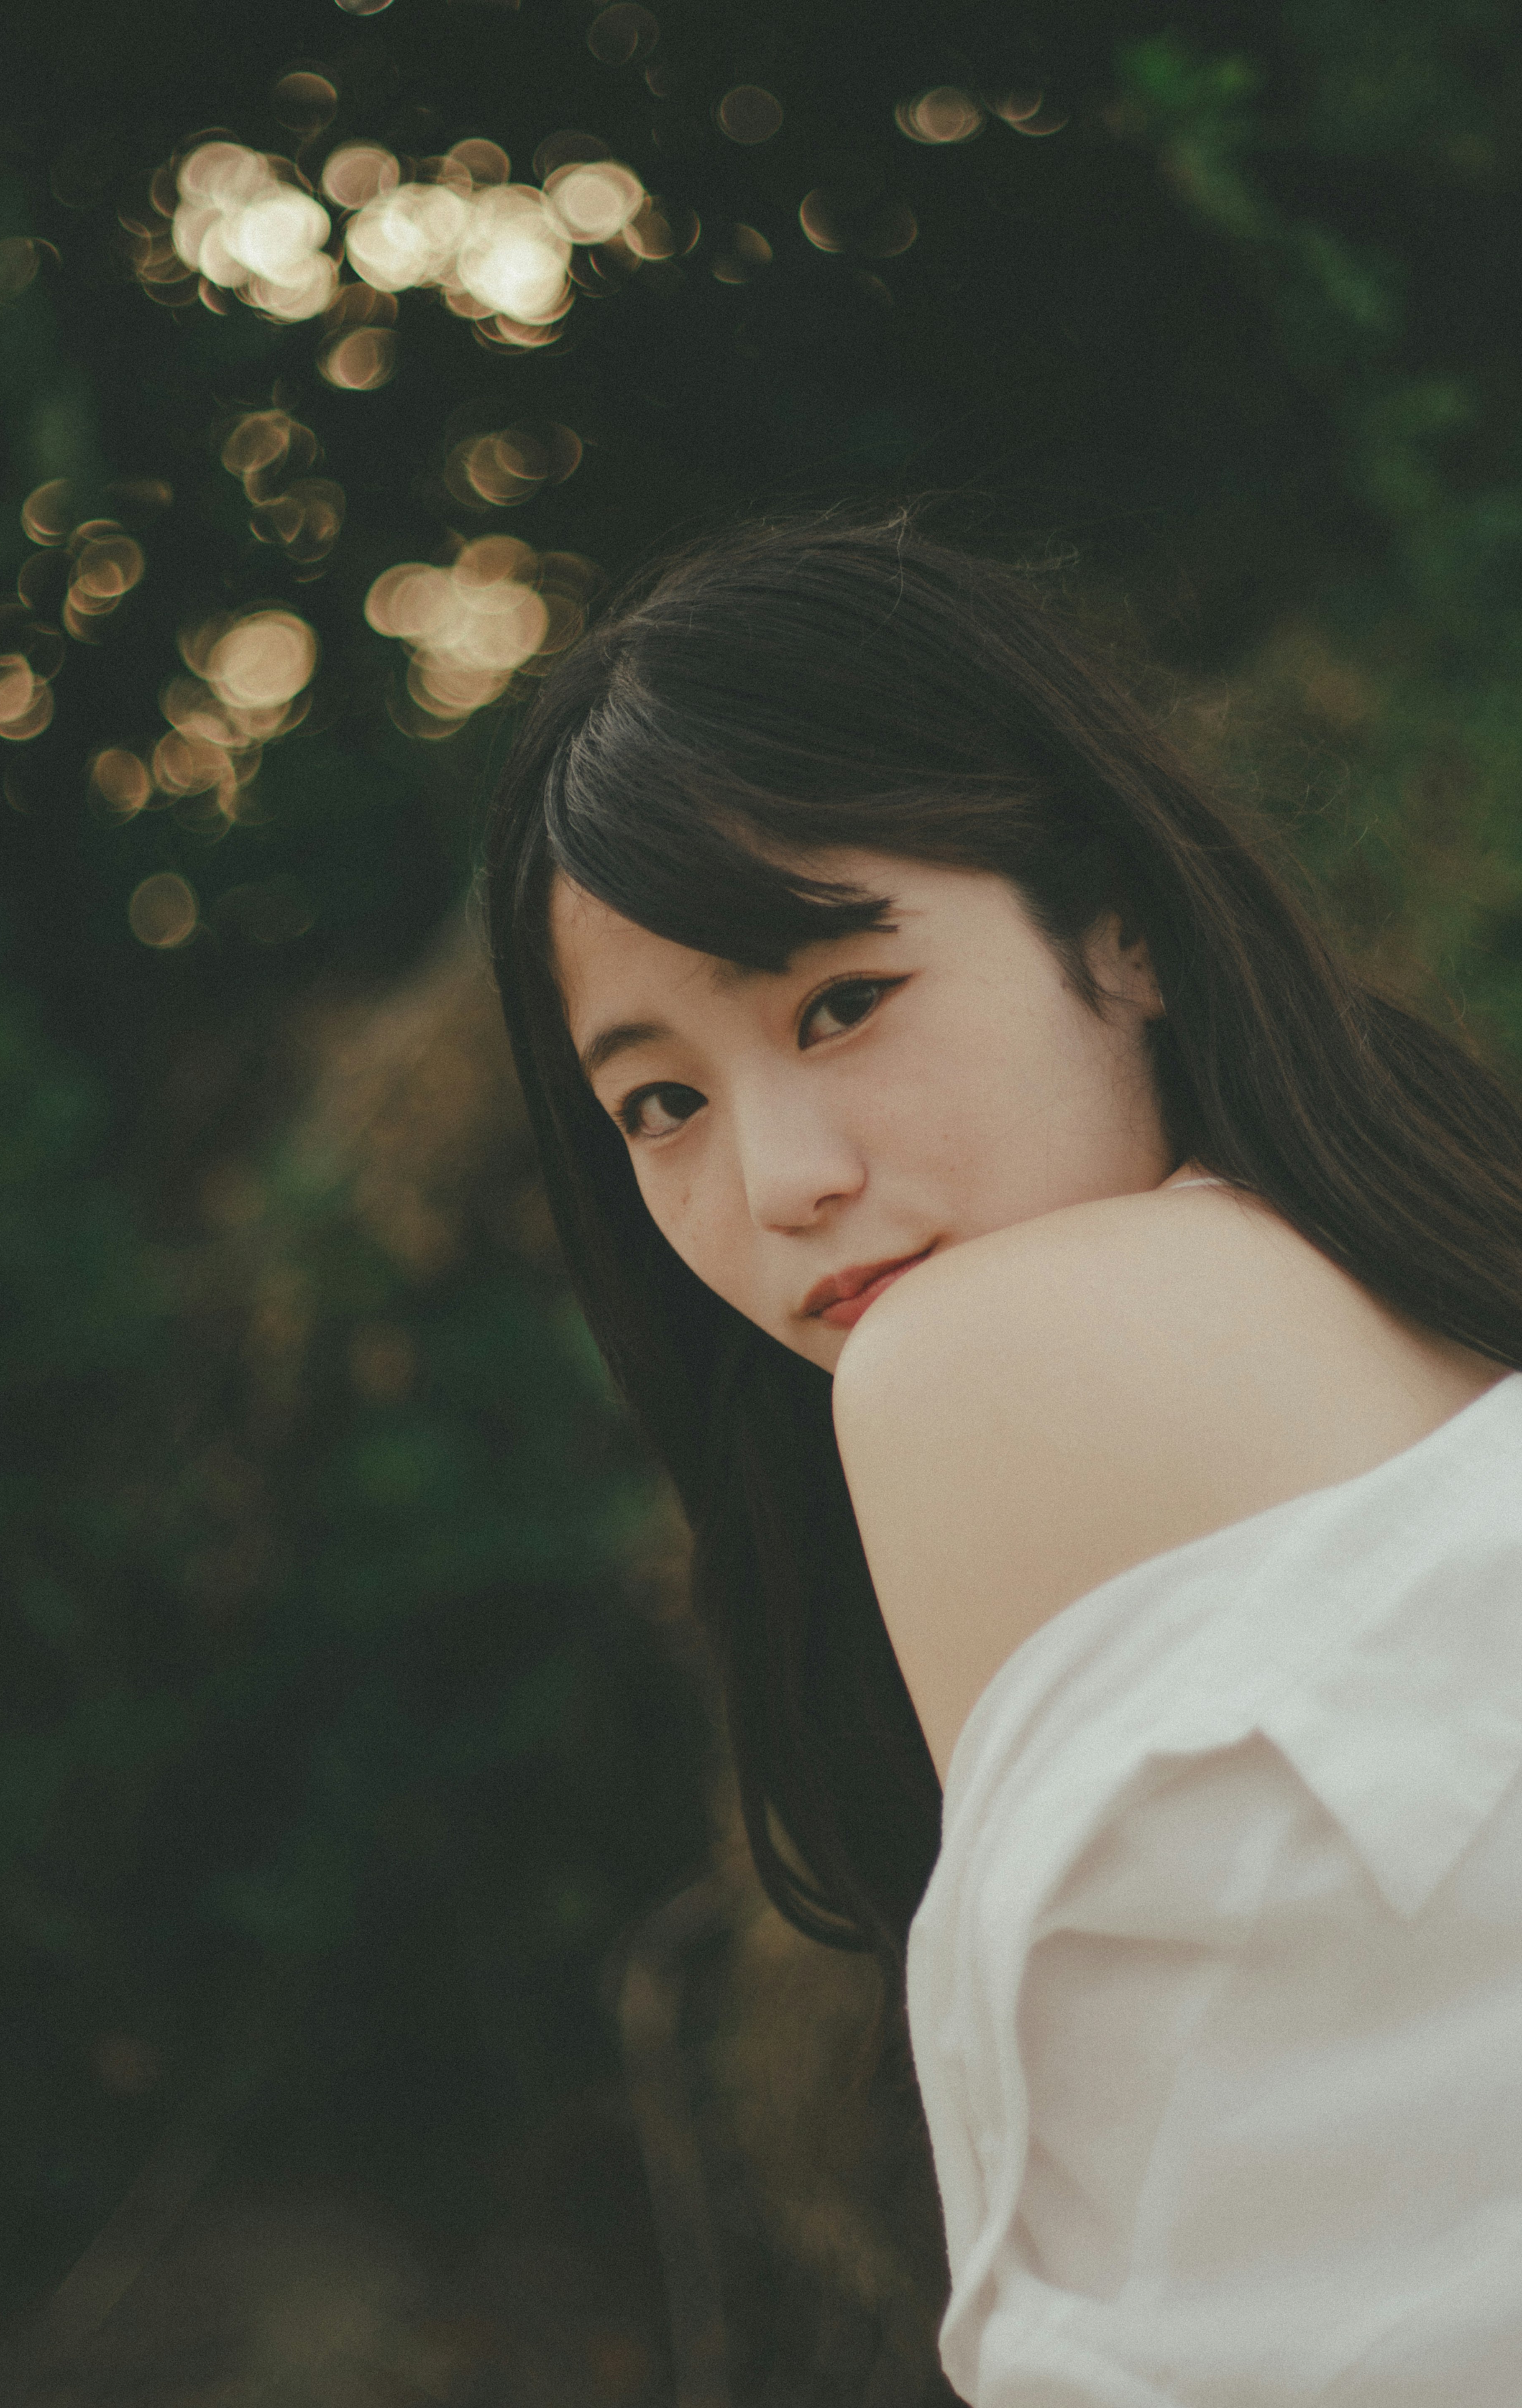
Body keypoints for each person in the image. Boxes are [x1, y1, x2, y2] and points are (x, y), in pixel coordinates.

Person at [480, 512, 1522, 2403]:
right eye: (660, 1105)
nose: (780, 1183)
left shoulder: (984, 1367)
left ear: (1117, 926)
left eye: (842, 1001)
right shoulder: (1435, 1298)